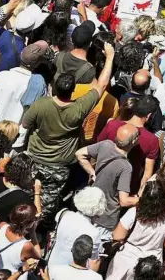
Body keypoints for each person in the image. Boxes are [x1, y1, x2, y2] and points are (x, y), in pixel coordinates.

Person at [21, 42, 114, 221]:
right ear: (73, 91)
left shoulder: (41, 104)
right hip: (60, 165)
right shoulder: (79, 108)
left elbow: (25, 124)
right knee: (48, 203)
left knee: (28, 196)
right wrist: (110, 57)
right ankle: (41, 226)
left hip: (35, 159)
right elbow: (101, 86)